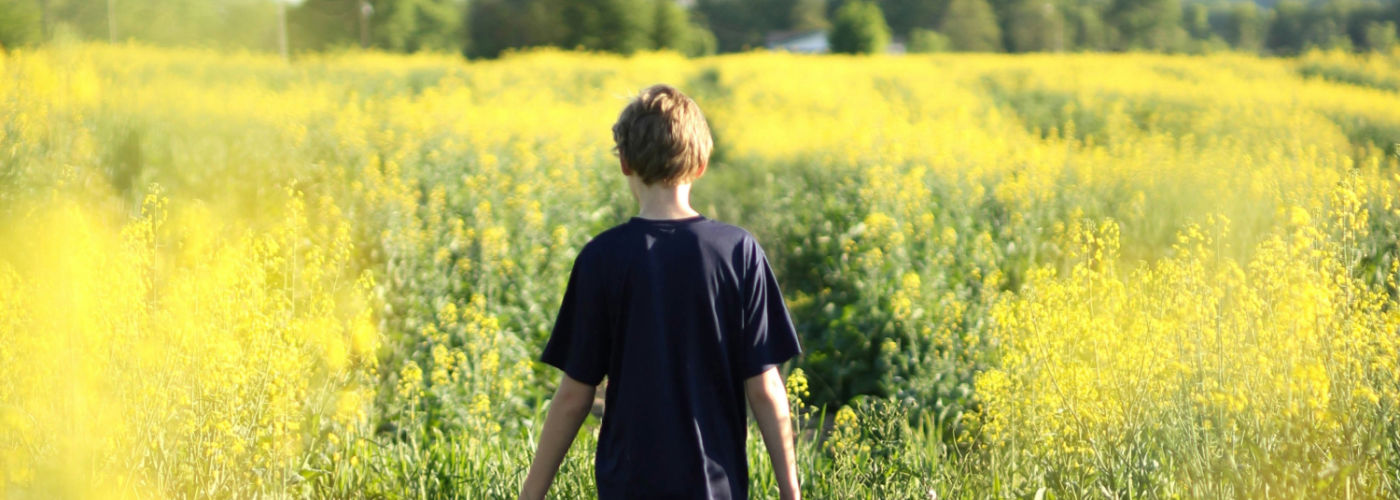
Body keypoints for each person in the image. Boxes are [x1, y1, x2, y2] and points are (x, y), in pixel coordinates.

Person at [518, 84, 803, 500]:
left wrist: (531, 495)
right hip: (715, 488)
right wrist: (790, 492)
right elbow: (764, 387)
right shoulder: (738, 252)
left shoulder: (601, 257)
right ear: (702, 163)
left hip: (627, 486)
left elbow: (574, 396)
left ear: (626, 164)